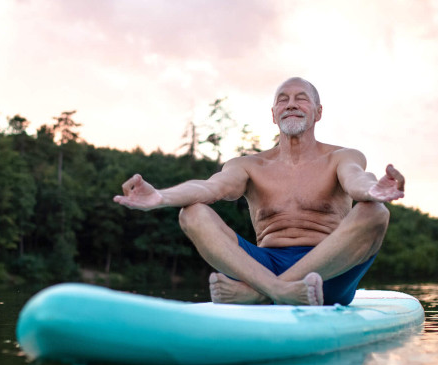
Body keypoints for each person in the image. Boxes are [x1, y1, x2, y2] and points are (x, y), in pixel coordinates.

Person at [113, 77, 405, 306]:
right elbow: (209, 187)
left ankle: (258, 295)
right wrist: (161, 196)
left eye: (301, 98)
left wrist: (373, 190)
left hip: (327, 273)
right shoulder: (248, 165)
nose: (291, 104)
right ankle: (278, 290)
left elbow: (357, 181)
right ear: (274, 114)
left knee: (375, 212)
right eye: (283, 100)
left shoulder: (342, 157)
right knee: (191, 213)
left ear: (318, 112)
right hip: (264, 265)